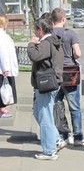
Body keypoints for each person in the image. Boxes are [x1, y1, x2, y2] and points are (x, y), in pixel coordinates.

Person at [51, 7, 84, 147]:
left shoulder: (49, 34)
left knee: (57, 105)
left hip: (54, 74)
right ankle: (78, 137)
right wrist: (72, 57)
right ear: (63, 19)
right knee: (75, 107)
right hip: (70, 73)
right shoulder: (71, 34)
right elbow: (78, 53)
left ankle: (63, 135)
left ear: (52, 20)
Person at [27, 17, 64, 160]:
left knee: (45, 117)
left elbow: (34, 55)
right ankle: (55, 140)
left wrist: (31, 43)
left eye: (35, 29)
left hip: (46, 84)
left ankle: (49, 151)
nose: (35, 32)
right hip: (52, 82)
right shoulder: (54, 40)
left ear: (40, 30)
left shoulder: (46, 43)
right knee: (38, 112)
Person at [0, 16, 19, 118]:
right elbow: (2, 52)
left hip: (3, 68)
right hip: (2, 68)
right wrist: (5, 68)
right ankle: (2, 109)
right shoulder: (1, 36)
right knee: (2, 88)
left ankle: (2, 108)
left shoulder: (3, 35)